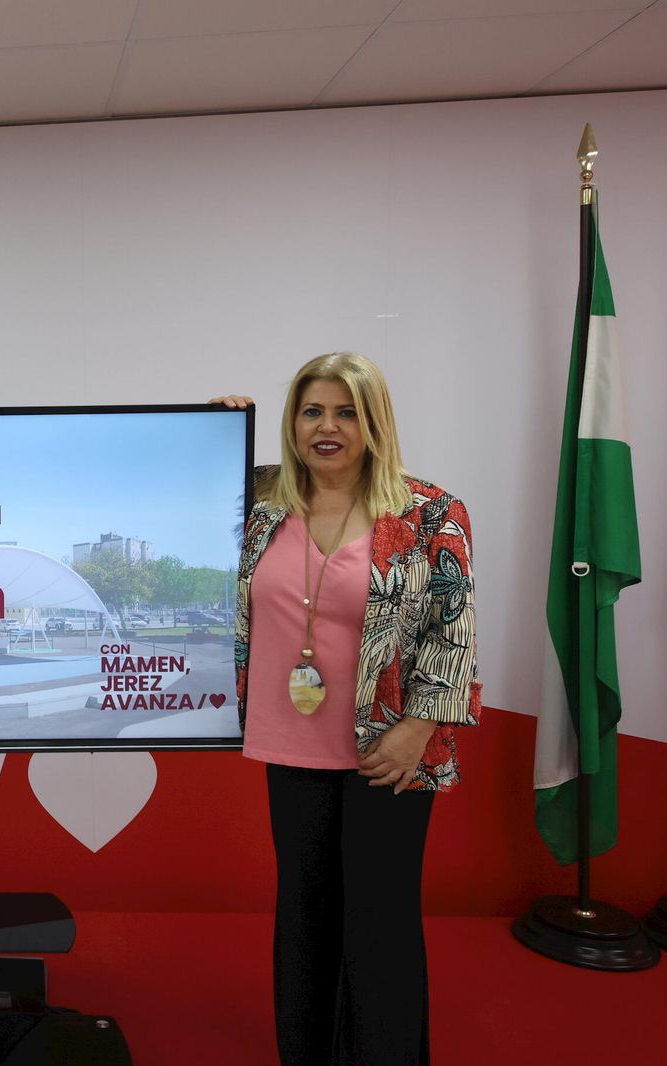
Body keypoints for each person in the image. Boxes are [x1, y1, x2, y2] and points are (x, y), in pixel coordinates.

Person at [216, 352, 479, 1066]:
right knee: (306, 915)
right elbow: (175, 484)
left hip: (387, 750)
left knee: (379, 922)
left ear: (373, 422)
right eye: (311, 411)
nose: (326, 427)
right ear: (292, 424)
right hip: (288, 740)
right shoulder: (260, 500)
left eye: (345, 412)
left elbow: (453, 634)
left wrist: (417, 731)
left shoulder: (429, 511)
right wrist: (216, 431)